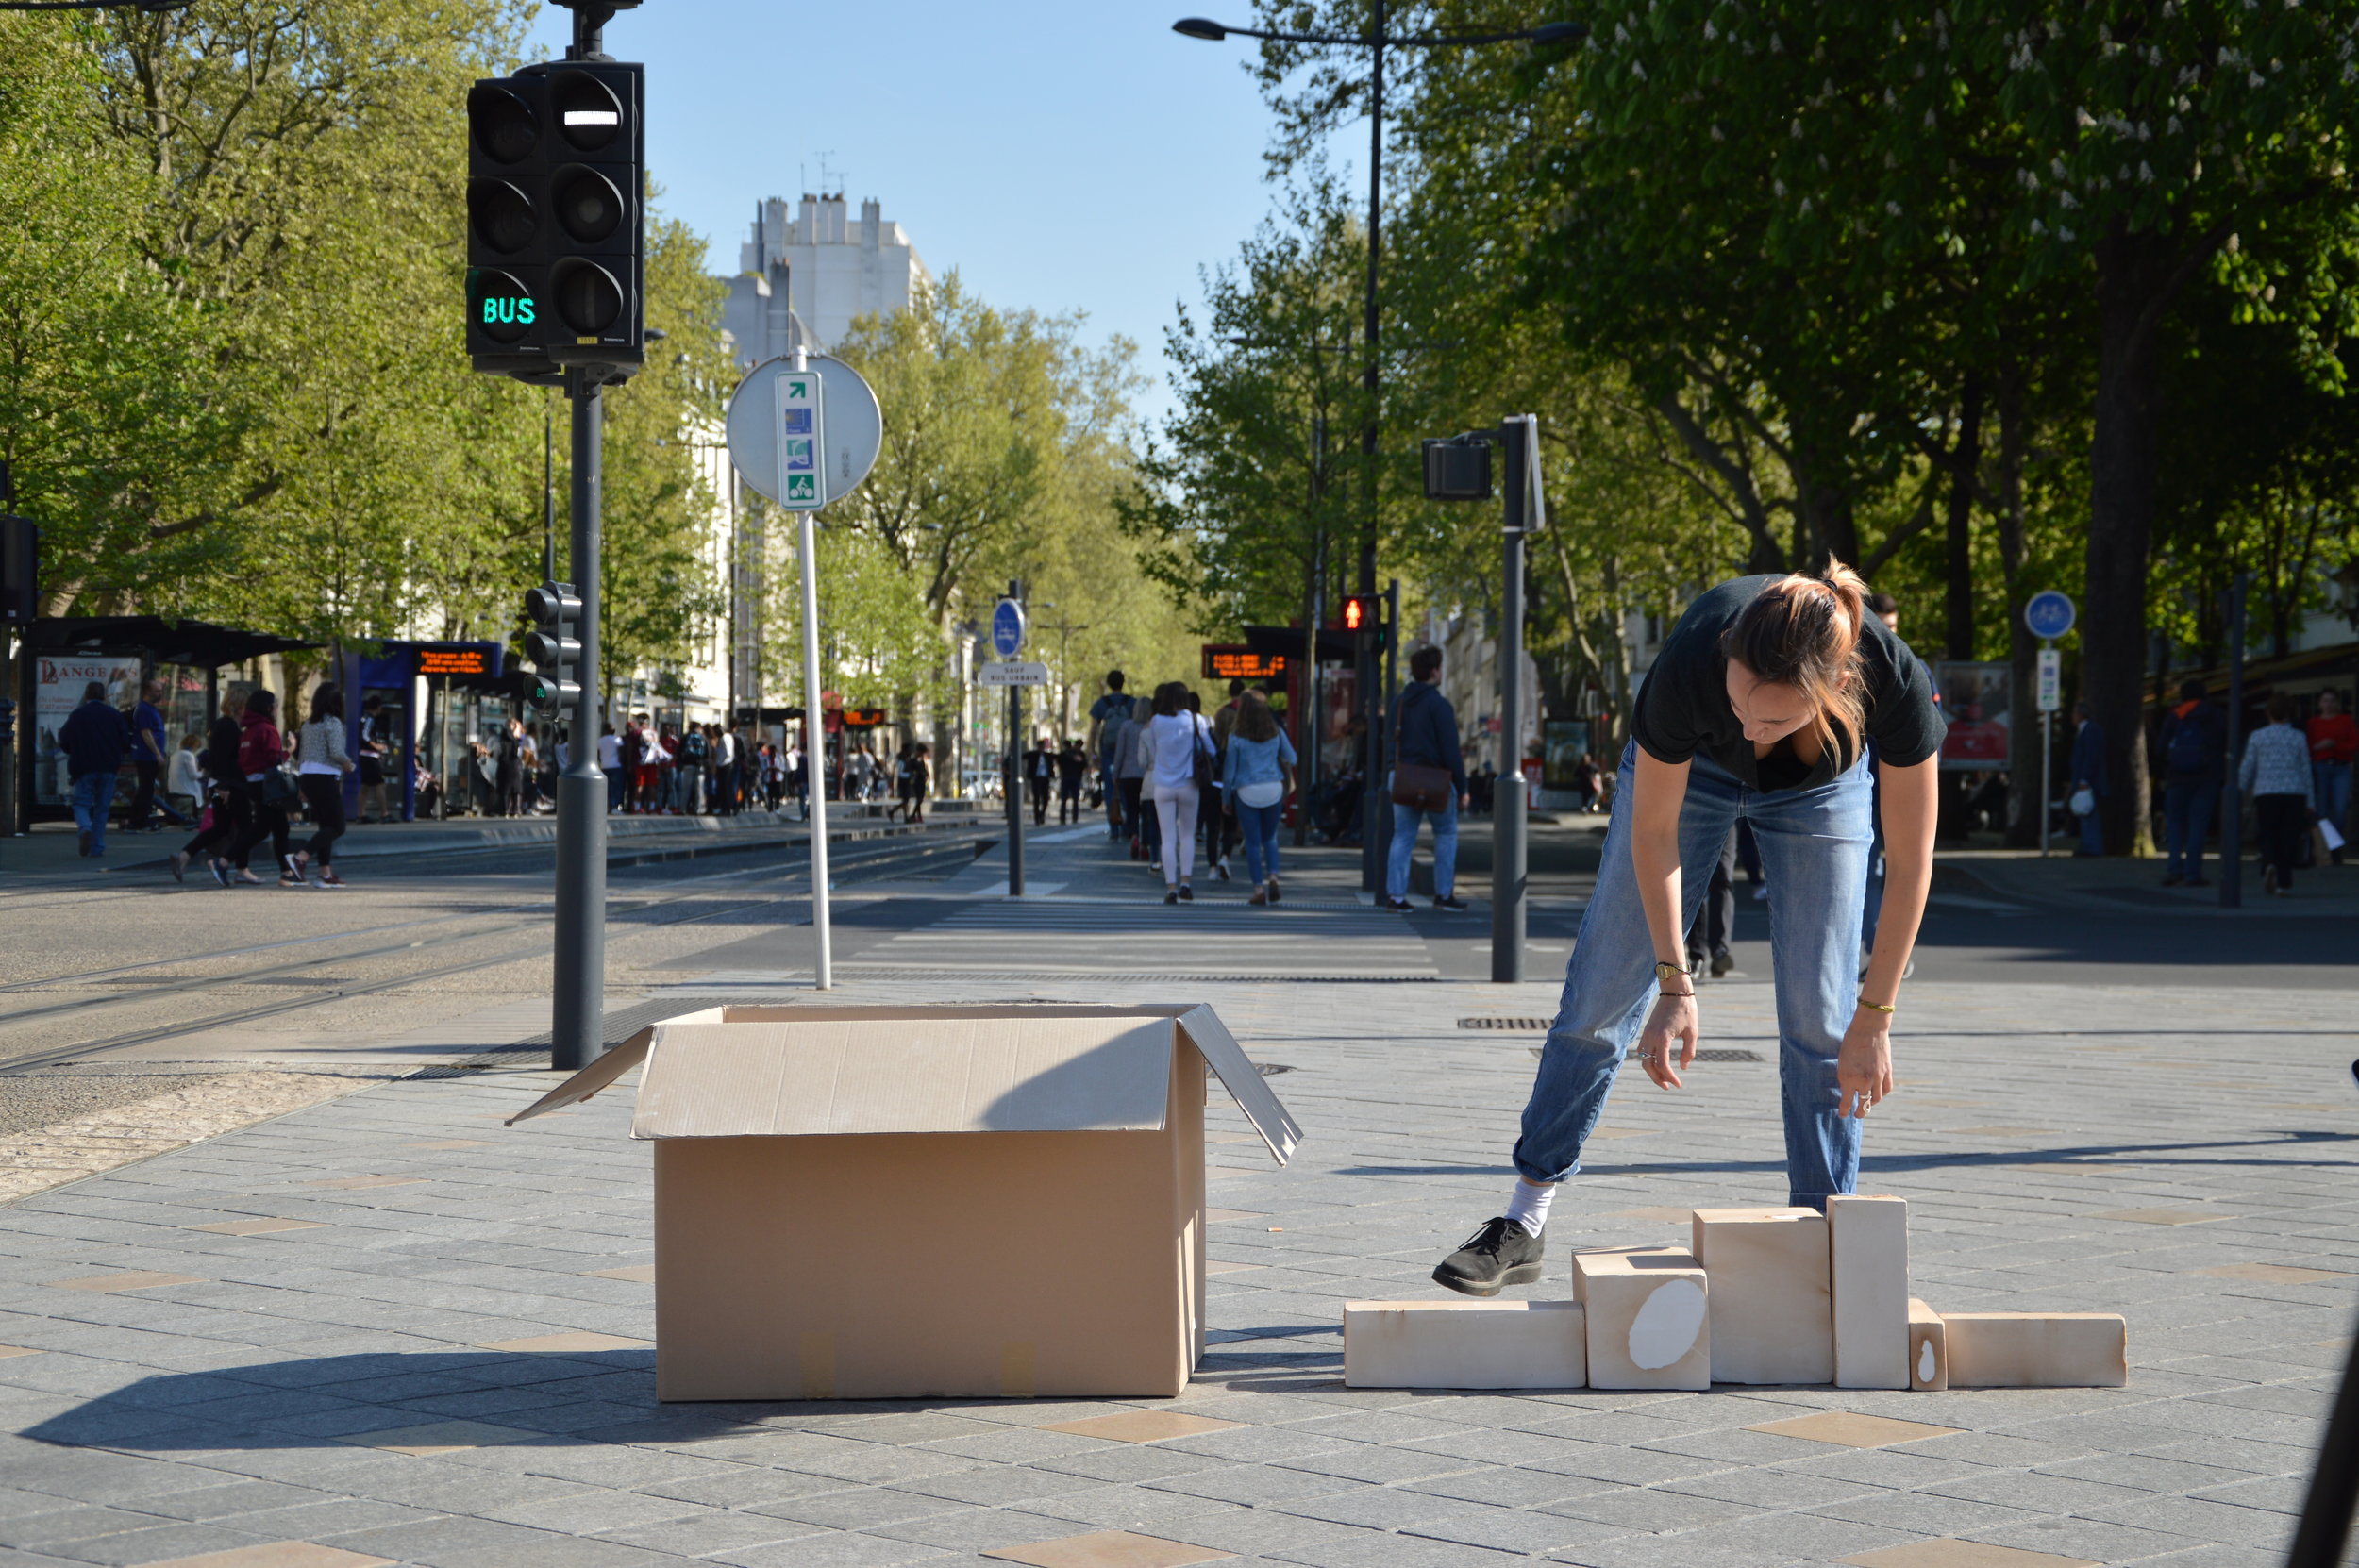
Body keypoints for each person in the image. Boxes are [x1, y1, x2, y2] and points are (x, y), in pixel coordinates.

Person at [1432, 562, 1941, 1297]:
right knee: (1601, 997)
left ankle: (1827, 1244)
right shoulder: (1693, 659)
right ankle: (1523, 1220)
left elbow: (1914, 858)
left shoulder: (1891, 681)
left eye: (1771, 719)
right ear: (1727, 656)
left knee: (1823, 1023)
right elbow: (1654, 835)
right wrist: (1674, 981)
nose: (1749, 728)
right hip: (1689, 777)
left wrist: (1878, 1014)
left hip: (1823, 791)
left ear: (1830, 690)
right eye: (1739, 705)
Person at [1386, 645, 1470, 912]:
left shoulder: (1398, 704)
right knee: (1445, 834)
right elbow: (1450, 750)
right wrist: (1462, 785)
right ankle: (1443, 895)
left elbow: (1391, 741)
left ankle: (1396, 896)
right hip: (1436, 780)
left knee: (1402, 837)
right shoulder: (1439, 705)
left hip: (1403, 777)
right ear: (1435, 671)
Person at [1222, 690, 1297, 906]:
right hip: (1273, 788)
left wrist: (1226, 798)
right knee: (1270, 838)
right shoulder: (1276, 732)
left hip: (1246, 790)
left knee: (1253, 843)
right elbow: (1292, 757)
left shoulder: (1235, 737)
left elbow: (1229, 773)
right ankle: (1273, 877)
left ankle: (1258, 889)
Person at [1142, 682, 1211, 903]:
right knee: (1187, 835)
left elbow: (1153, 749)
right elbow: (1211, 749)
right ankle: (1186, 883)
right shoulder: (1195, 720)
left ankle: (1170, 888)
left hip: (1162, 783)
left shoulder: (1156, 722)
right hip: (1189, 783)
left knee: (1167, 838)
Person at [2242, 693, 2315, 897]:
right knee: (2288, 837)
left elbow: (2248, 766)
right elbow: (2305, 769)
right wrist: (2311, 800)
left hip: (2266, 791)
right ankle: (2283, 881)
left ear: (2268, 714)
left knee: (2267, 833)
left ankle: (2269, 863)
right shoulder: (2298, 737)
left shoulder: (2258, 736)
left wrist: (2239, 788)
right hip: (2294, 791)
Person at [226, 689, 301, 886]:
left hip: (253, 783)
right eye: (275, 706)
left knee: (276, 828)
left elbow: (242, 760)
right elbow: (273, 759)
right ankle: (224, 861)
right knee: (267, 829)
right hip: (268, 785)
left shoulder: (248, 731)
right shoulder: (267, 729)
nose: (277, 709)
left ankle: (286, 871)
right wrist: (290, 750)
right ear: (268, 708)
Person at [173, 697, 247, 885]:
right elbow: (226, 758)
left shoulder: (220, 725)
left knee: (221, 828)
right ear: (239, 707)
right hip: (228, 784)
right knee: (246, 828)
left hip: (218, 782)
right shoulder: (229, 727)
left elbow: (214, 757)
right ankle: (229, 865)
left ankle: (184, 855)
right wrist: (224, 785)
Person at [2160, 678, 2228, 887]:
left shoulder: (2175, 716)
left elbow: (2161, 747)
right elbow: (2225, 742)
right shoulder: (2214, 715)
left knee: (2175, 824)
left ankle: (2174, 869)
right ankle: (2192, 873)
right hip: (2206, 777)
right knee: (2198, 825)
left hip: (2177, 777)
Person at [291, 685, 355, 887]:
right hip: (325, 776)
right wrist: (348, 764)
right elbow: (336, 751)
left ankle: (325, 873)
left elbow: (301, 754)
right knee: (337, 826)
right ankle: (300, 857)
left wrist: (302, 785)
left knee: (325, 825)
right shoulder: (333, 723)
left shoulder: (308, 724)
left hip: (307, 776)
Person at [58, 680, 129, 859]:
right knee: (102, 808)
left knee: (81, 803)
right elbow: (125, 743)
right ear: (104, 696)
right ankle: (97, 847)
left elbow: (64, 741)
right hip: (108, 767)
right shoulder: (114, 715)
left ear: (87, 695)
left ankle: (84, 828)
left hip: (83, 767)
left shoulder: (77, 715)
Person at [127, 679, 188, 831]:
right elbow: (146, 733)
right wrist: (157, 754)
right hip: (146, 756)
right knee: (145, 788)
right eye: (157, 691)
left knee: (147, 789)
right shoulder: (144, 709)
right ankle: (137, 820)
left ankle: (141, 819)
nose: (160, 694)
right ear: (147, 692)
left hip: (150, 755)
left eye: (160, 691)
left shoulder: (151, 709)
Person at [1682, 829, 1738, 978]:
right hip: (1698, 815)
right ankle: (1697, 956)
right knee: (1697, 881)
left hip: (1729, 815)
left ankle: (1720, 953)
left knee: (1724, 879)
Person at [2308, 690, 2354, 865]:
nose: (2328, 704)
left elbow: (2354, 743)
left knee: (2340, 810)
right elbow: (2308, 746)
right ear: (2320, 703)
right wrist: (2319, 747)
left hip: (2341, 767)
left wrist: (2335, 744)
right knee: (2321, 810)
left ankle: (2335, 846)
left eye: (2332, 700)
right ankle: (2324, 848)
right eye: (2325, 700)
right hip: (2320, 766)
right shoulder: (2313, 723)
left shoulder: (2345, 721)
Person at [1088, 671, 1135, 840]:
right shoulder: (1131, 703)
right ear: (1123, 683)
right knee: (1127, 789)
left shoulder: (1102, 703)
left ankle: (1113, 828)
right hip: (1129, 751)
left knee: (1110, 789)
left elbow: (1093, 730)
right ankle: (1127, 827)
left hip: (1108, 751)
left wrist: (1092, 753)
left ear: (1108, 684)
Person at [1113, 700, 1154, 861]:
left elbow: (1120, 752)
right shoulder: (1152, 728)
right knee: (1146, 811)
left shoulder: (1126, 726)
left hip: (1128, 774)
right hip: (1147, 774)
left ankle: (1134, 836)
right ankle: (1145, 843)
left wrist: (1115, 773)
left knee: (1131, 809)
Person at [2068, 701, 2107, 858]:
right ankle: (2089, 845)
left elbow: (2091, 756)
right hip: (2086, 778)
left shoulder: (2090, 731)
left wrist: (2085, 778)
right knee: (2086, 812)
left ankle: (2092, 847)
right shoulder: (2086, 730)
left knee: (2089, 812)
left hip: (2089, 780)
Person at [357, 694, 392, 823]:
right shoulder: (370, 719)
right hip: (370, 757)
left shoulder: (364, 718)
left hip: (364, 756)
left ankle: (361, 814)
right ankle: (384, 814)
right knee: (380, 785)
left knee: (365, 785)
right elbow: (365, 736)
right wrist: (377, 746)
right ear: (378, 707)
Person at [167, 733, 205, 826]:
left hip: (174, 788)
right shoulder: (188, 755)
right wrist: (203, 772)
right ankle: (204, 813)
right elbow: (194, 775)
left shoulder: (175, 755)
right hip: (186, 790)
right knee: (206, 784)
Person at [1025, 735, 1055, 826]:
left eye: (1042, 746)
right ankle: (1037, 818)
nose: (1041, 748)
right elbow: (1022, 756)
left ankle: (1042, 814)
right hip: (1036, 779)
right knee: (1037, 799)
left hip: (1045, 779)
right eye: (1040, 746)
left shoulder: (1048, 755)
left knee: (1045, 799)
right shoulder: (1033, 755)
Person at [1056, 739, 1087, 824]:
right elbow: (1060, 762)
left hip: (1075, 778)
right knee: (1065, 799)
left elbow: (1084, 764)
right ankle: (1063, 818)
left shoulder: (1081, 754)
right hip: (1067, 777)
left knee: (1075, 799)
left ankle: (1074, 818)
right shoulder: (1066, 754)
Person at [596, 723, 624, 812]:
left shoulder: (600, 741)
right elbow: (621, 753)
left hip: (605, 766)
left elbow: (598, 754)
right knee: (615, 788)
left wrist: (600, 763)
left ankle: (607, 806)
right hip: (615, 766)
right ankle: (614, 807)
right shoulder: (617, 740)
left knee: (607, 788)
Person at [905, 742, 931, 825]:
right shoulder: (913, 759)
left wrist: (926, 774)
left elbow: (923, 769)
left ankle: (917, 816)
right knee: (919, 799)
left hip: (922, 781)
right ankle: (914, 815)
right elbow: (912, 769)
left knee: (920, 799)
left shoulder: (921, 759)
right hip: (916, 782)